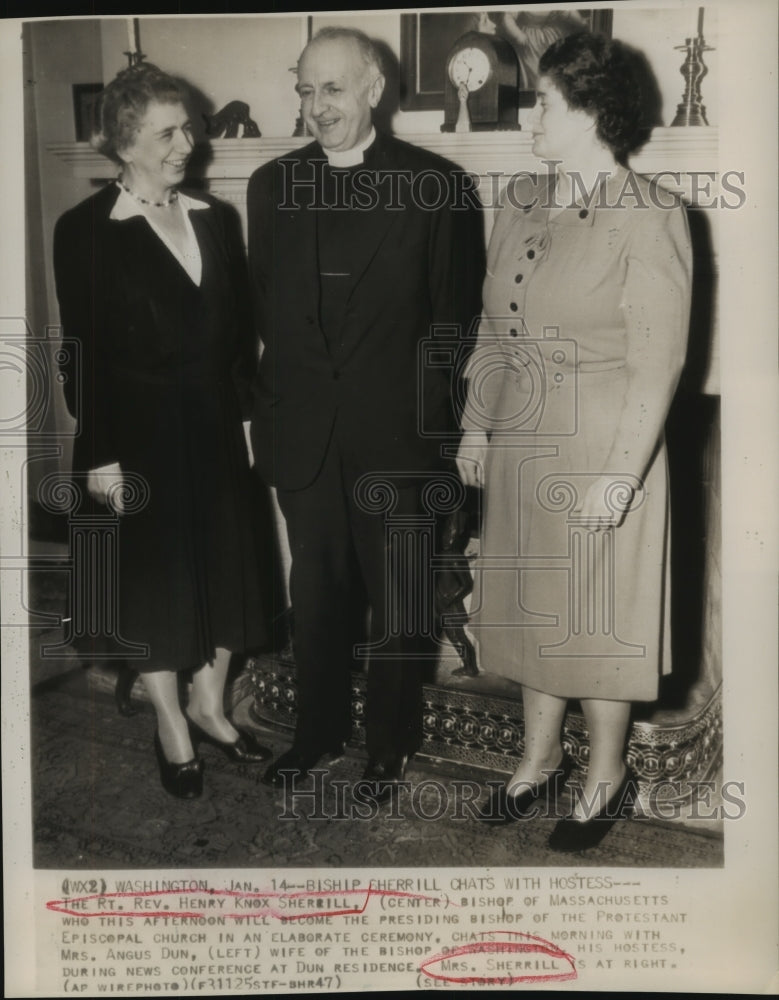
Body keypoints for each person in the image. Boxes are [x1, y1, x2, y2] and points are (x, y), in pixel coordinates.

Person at [456, 32, 692, 850]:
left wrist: (621, 475)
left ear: (591, 112)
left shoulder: (650, 213)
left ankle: (605, 775)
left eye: (543, 103)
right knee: (530, 607)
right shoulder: (521, 198)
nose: (530, 117)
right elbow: (492, 326)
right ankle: (538, 758)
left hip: (602, 445)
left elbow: (658, 361)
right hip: (522, 441)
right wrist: (476, 425)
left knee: (595, 617)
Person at [248, 27, 483, 798]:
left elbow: (452, 324)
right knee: (314, 596)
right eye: (305, 90)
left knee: (399, 602)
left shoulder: (437, 186)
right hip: (304, 434)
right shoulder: (272, 185)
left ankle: (390, 742)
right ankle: (315, 732)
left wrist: (438, 434)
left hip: (398, 436)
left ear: (374, 89)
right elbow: (267, 310)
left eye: (333, 88)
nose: (316, 106)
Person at [53, 62, 271, 800]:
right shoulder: (86, 230)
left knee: (227, 569)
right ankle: (171, 721)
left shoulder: (215, 218)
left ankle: (209, 704)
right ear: (124, 145)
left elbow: (238, 341)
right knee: (153, 584)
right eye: (167, 133)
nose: (187, 144)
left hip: (214, 424)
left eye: (188, 129)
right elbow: (81, 352)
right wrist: (100, 453)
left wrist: (248, 417)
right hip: (136, 434)